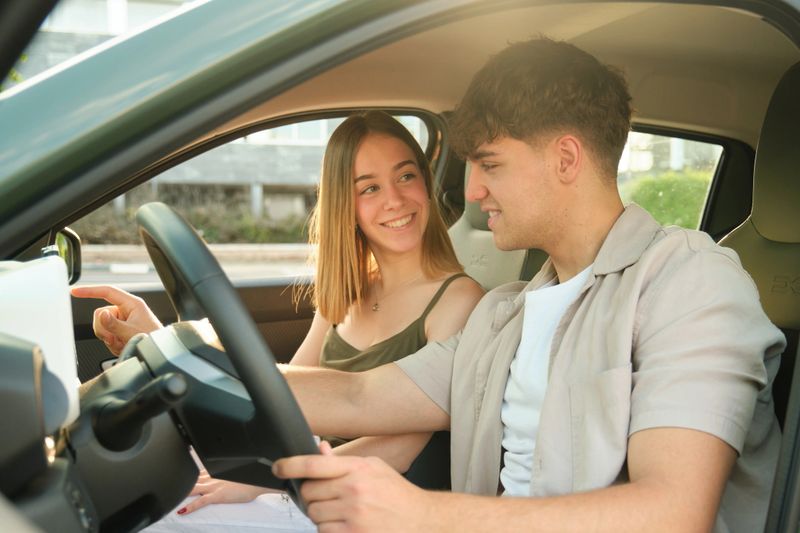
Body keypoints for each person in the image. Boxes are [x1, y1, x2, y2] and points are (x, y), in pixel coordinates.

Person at [269, 38, 786, 532]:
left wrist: (426, 516)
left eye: (490, 165)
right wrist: (228, 377)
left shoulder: (688, 282)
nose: (472, 190)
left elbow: (672, 516)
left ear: (566, 159)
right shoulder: (503, 315)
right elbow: (358, 394)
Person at [71, 111, 485, 519]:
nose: (394, 199)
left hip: (369, 504)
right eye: (370, 188)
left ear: (426, 181)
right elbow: (282, 397)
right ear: (345, 204)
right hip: (306, 474)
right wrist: (164, 343)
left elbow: (400, 449)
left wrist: (267, 479)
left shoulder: (459, 301)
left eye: (406, 176)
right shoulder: (349, 289)